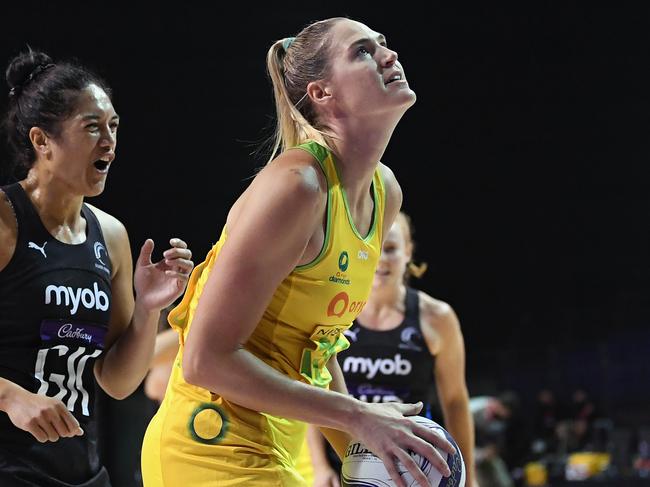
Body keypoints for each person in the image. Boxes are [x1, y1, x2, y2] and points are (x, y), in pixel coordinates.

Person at [142, 16, 459, 487]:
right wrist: (358, 416)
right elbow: (204, 360)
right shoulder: (297, 186)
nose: (388, 56)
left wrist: (362, 452)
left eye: (384, 45)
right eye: (363, 52)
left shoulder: (383, 191)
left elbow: (320, 344)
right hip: (208, 447)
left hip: (279, 449)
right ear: (322, 93)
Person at [0, 49, 194, 486]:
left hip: (80, 471)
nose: (109, 141)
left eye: (113, 126)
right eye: (92, 128)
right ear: (41, 141)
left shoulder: (111, 235)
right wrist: (11, 396)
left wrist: (149, 309)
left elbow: (117, 382)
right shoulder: (5, 220)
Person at [306, 212, 476, 487]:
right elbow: (314, 388)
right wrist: (318, 465)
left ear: (408, 252)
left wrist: (469, 477)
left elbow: (456, 401)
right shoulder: (334, 310)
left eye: (392, 248)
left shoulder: (437, 317)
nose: (381, 258)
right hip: (345, 458)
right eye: (374, 247)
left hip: (411, 466)